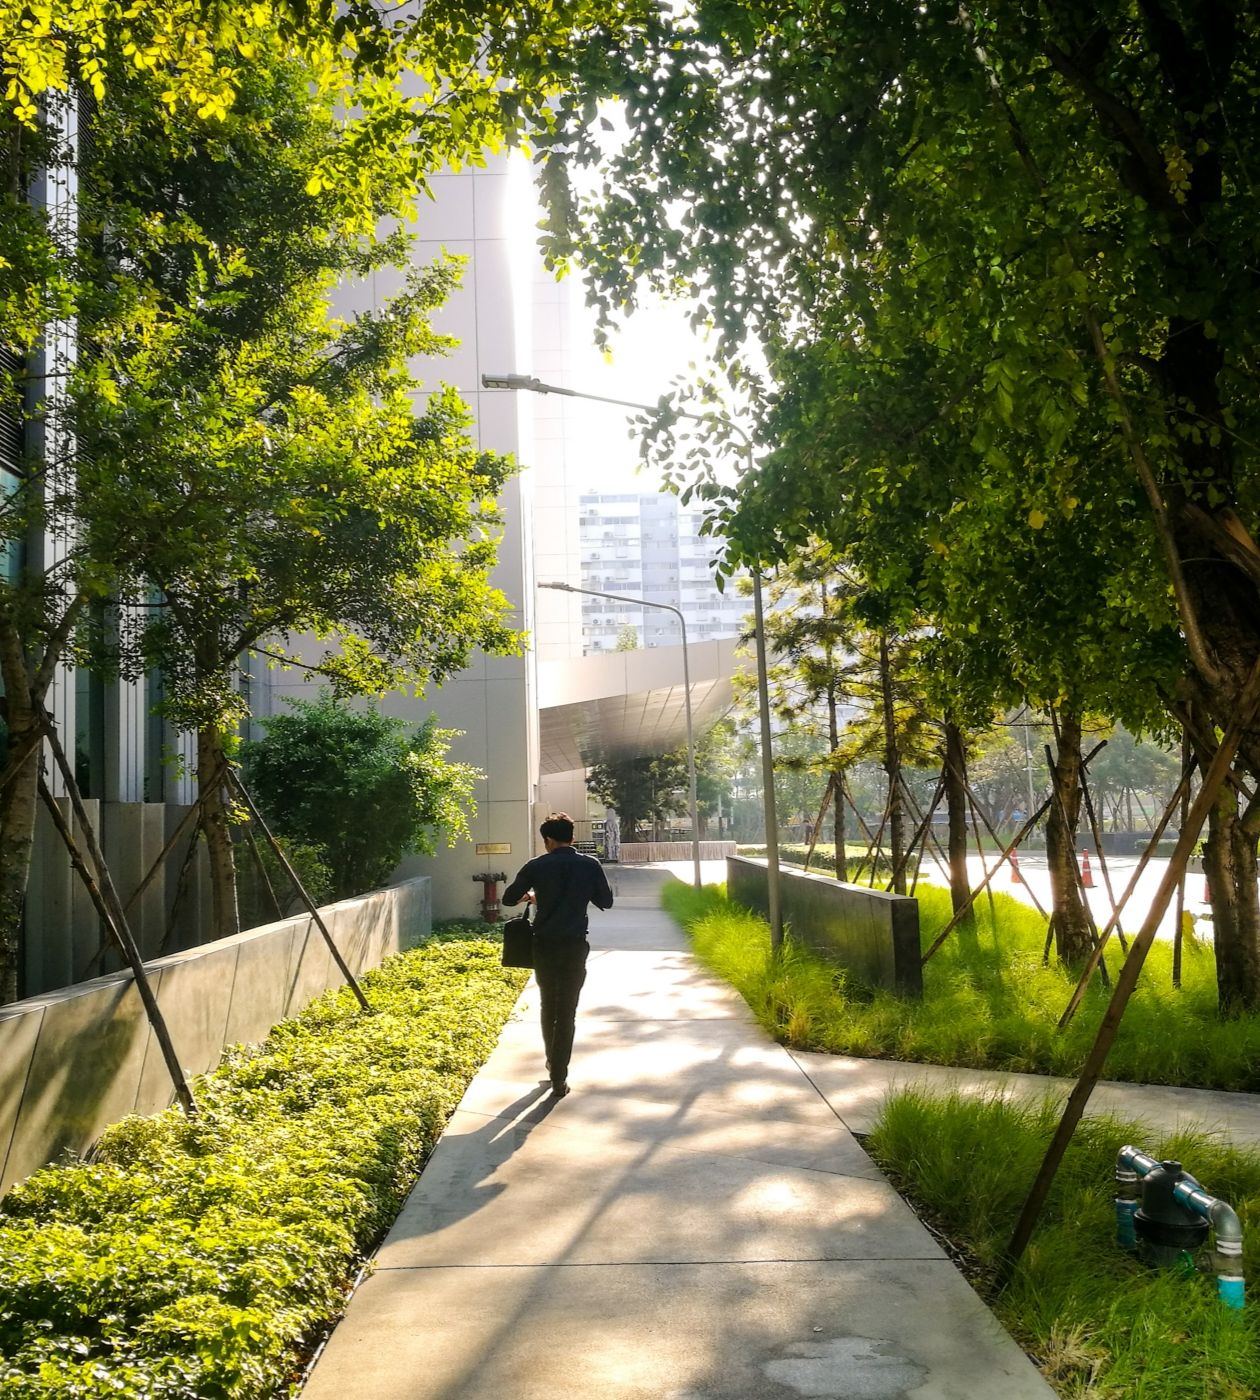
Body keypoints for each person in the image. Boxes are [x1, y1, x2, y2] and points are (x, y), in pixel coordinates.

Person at [502, 813, 614, 1097]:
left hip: (544, 945)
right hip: (575, 945)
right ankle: (559, 1077)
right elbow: (606, 901)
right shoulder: (590, 865)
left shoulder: (536, 865)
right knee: (567, 1012)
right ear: (572, 837)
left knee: (547, 1006)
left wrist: (531, 896)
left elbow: (508, 897)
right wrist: (580, 893)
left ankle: (552, 1061)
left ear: (548, 840)